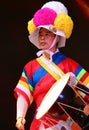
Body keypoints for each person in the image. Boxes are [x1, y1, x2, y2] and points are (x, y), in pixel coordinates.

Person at [14, 1, 89, 130]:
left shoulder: (69, 64)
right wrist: (20, 117)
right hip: (42, 123)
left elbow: (86, 85)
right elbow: (23, 94)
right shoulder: (30, 67)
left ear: (57, 37)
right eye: (40, 34)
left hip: (68, 122)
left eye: (47, 34)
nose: (42, 38)